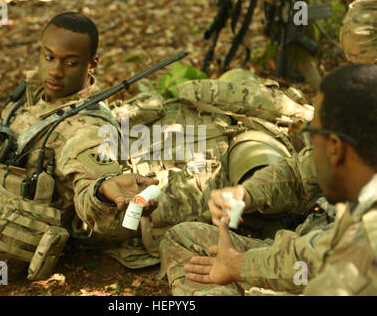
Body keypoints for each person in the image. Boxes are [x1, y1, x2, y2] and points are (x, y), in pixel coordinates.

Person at [0, 12, 160, 294]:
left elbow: (90, 188)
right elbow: (18, 138)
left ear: (92, 64)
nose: (55, 71)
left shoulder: (87, 130)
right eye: (49, 57)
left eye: (70, 62)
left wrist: (102, 191)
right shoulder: (44, 94)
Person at [160, 63, 377, 295]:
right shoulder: (363, 168)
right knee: (182, 237)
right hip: (301, 256)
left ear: (335, 147)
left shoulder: (360, 254)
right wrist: (246, 193)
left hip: (306, 274)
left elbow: (312, 264)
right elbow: (296, 173)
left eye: (314, 136)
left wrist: (237, 265)